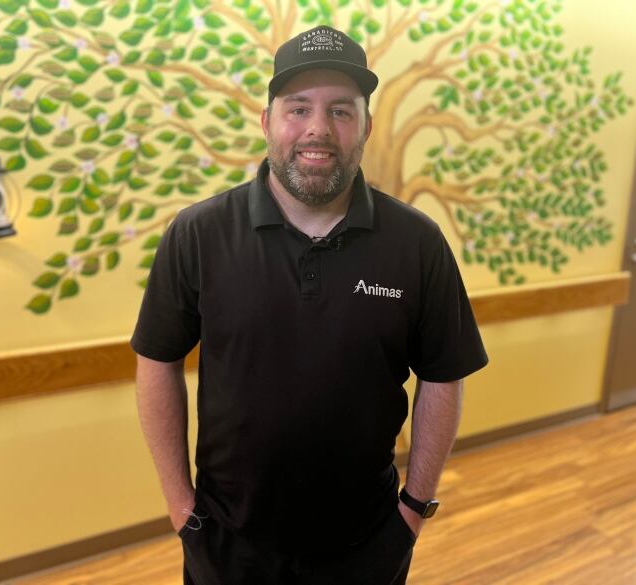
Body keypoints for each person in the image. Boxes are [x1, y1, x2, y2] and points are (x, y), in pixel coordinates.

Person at [132, 25, 488, 585]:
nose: (318, 129)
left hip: (367, 544)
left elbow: (444, 376)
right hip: (226, 542)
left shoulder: (417, 243)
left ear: (366, 126)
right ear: (267, 120)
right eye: (298, 109)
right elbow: (157, 360)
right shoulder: (197, 234)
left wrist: (414, 509)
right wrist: (183, 511)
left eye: (341, 111)